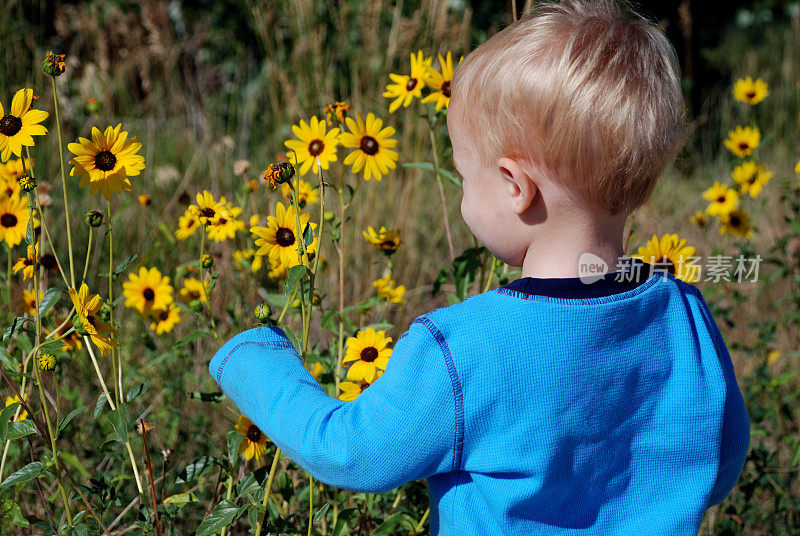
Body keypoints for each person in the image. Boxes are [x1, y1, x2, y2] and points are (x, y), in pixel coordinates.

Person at [209, 1, 751, 533]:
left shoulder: (464, 349)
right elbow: (720, 457)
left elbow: (351, 453)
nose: (464, 197)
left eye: (465, 175)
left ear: (515, 188)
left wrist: (258, 362)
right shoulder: (683, 313)